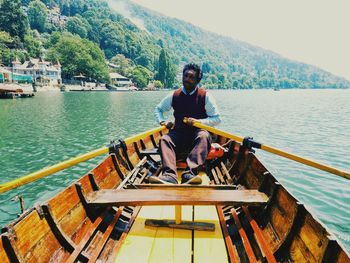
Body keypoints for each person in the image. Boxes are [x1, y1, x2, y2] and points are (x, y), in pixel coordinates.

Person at [150, 63, 221, 184]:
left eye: (191, 77)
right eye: (185, 76)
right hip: (179, 133)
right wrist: (162, 121)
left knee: (203, 136)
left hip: (198, 134)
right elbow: (158, 109)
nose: (187, 79)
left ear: (198, 80)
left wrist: (199, 122)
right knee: (164, 139)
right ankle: (170, 175)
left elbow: (217, 119)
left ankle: (189, 174)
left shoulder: (205, 96)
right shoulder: (175, 95)